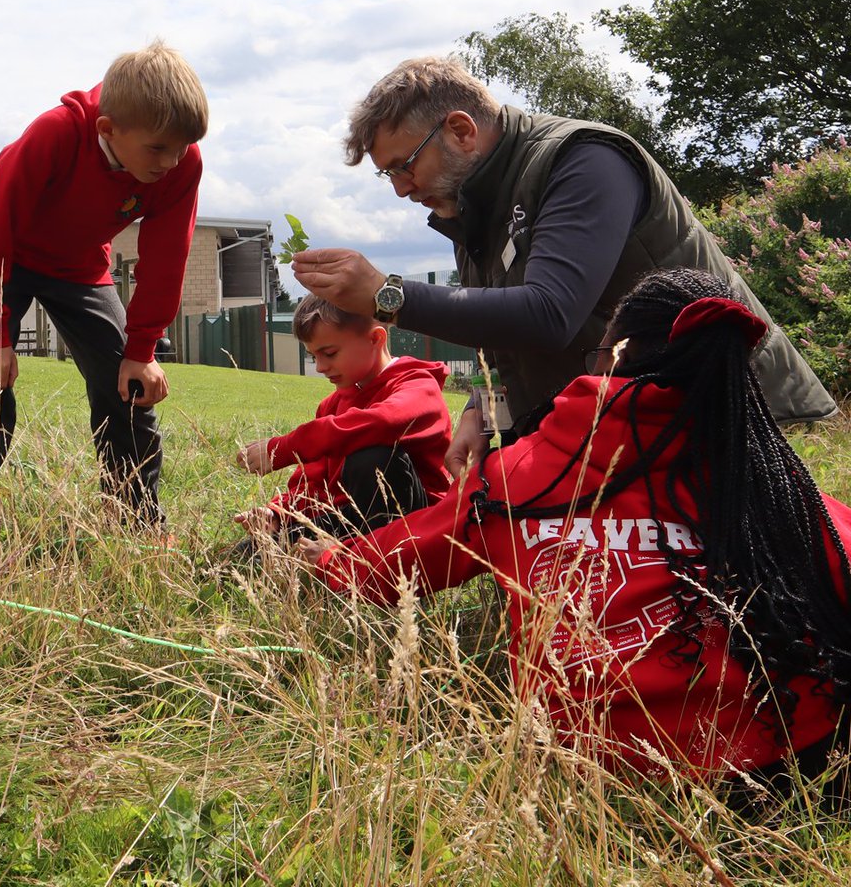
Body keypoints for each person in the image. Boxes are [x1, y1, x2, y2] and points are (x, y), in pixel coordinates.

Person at [301, 268, 851, 792]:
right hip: (804, 748)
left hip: (598, 773)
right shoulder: (776, 490)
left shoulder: (515, 476)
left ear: (612, 357)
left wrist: (328, 558)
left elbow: (399, 561)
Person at [291, 57, 836, 478]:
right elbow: (504, 346)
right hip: (623, 430)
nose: (402, 189)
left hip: (721, 423)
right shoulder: (470, 208)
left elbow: (551, 312)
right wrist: (484, 409)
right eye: (388, 176)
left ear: (460, 130)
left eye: (404, 166)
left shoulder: (583, 159)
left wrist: (386, 294)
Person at [0, 40, 209, 576]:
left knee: (127, 384)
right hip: (3, 254)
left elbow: (168, 257)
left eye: (183, 147)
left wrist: (143, 349)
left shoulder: (180, 163)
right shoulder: (56, 133)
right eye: (158, 149)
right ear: (108, 130)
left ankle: (134, 518)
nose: (172, 161)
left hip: (79, 265)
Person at [234, 293, 452, 545]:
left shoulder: (417, 385)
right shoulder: (331, 405)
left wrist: (286, 447)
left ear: (375, 338)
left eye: (330, 353)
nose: (320, 367)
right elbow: (315, 483)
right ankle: (344, 552)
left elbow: (383, 422)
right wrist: (279, 512)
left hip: (417, 524)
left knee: (371, 456)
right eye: (314, 356)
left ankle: (371, 562)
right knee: (258, 550)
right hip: (353, 518)